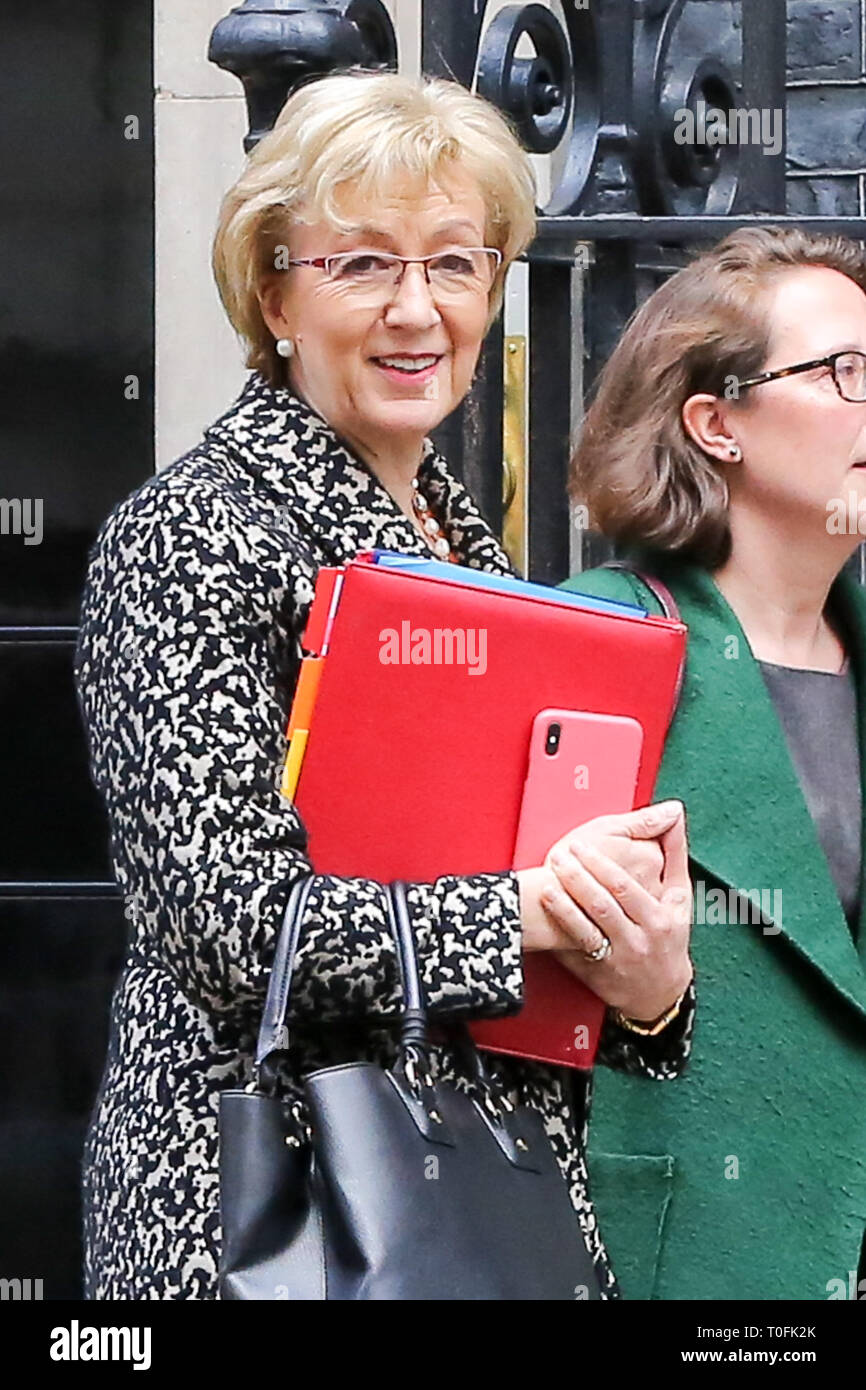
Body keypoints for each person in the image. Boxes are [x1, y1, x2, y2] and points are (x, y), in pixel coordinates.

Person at [74, 71, 694, 1300]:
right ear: (274, 296)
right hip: (269, 1208)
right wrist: (525, 911)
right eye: (362, 266)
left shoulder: (473, 558)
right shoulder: (189, 534)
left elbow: (529, 916)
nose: (418, 311)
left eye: (455, 265)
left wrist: (645, 986)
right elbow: (230, 927)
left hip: (480, 1199)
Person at [562, 225, 866, 1300]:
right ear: (714, 421)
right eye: (843, 371)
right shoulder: (589, 648)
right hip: (688, 1263)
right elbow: (453, 968)